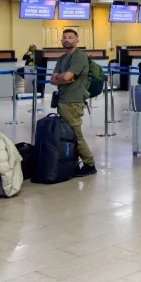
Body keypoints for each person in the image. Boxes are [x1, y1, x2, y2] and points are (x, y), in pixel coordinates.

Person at [50, 29, 96, 176]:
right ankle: (72, 162)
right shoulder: (62, 58)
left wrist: (62, 77)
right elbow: (53, 79)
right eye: (64, 38)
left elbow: (67, 76)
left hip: (73, 101)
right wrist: (62, 78)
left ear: (77, 41)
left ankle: (89, 164)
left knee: (76, 134)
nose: (66, 40)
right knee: (68, 134)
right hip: (62, 100)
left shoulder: (80, 57)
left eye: (70, 37)